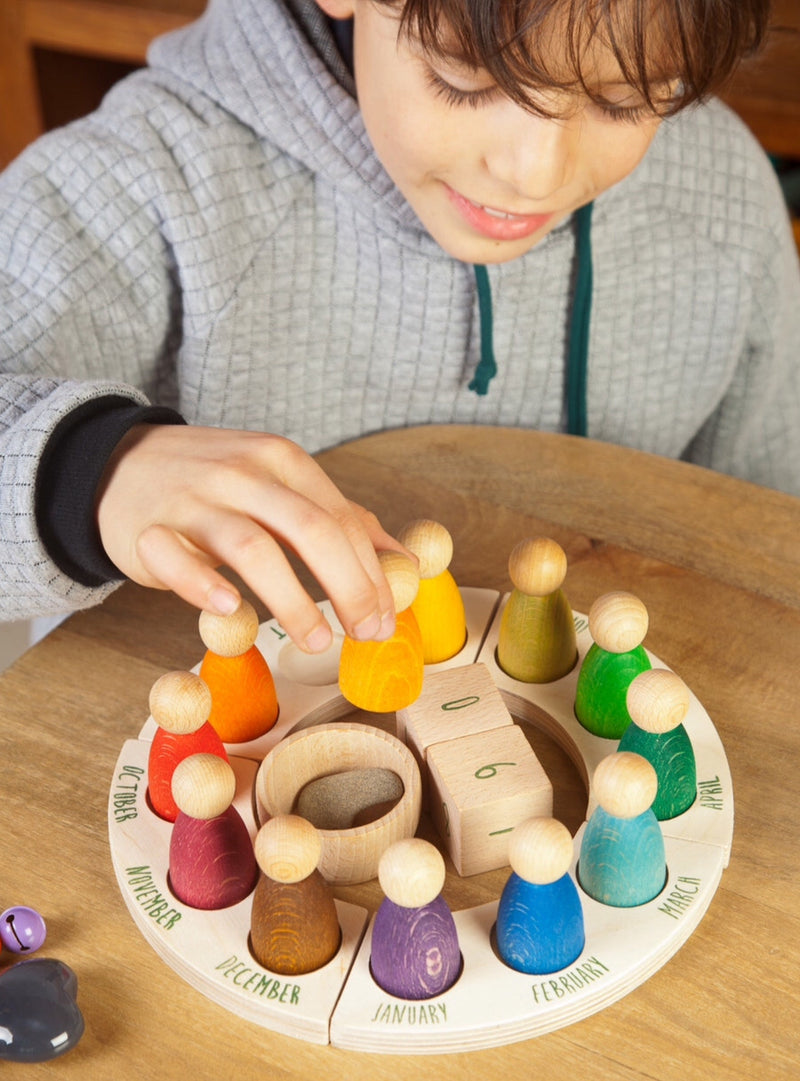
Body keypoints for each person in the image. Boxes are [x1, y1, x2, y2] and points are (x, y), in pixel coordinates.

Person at [0, 0, 797, 649]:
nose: (536, 173)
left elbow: (769, 540)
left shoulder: (723, 195)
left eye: (626, 101)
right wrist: (89, 470)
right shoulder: (147, 176)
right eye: (464, 79)